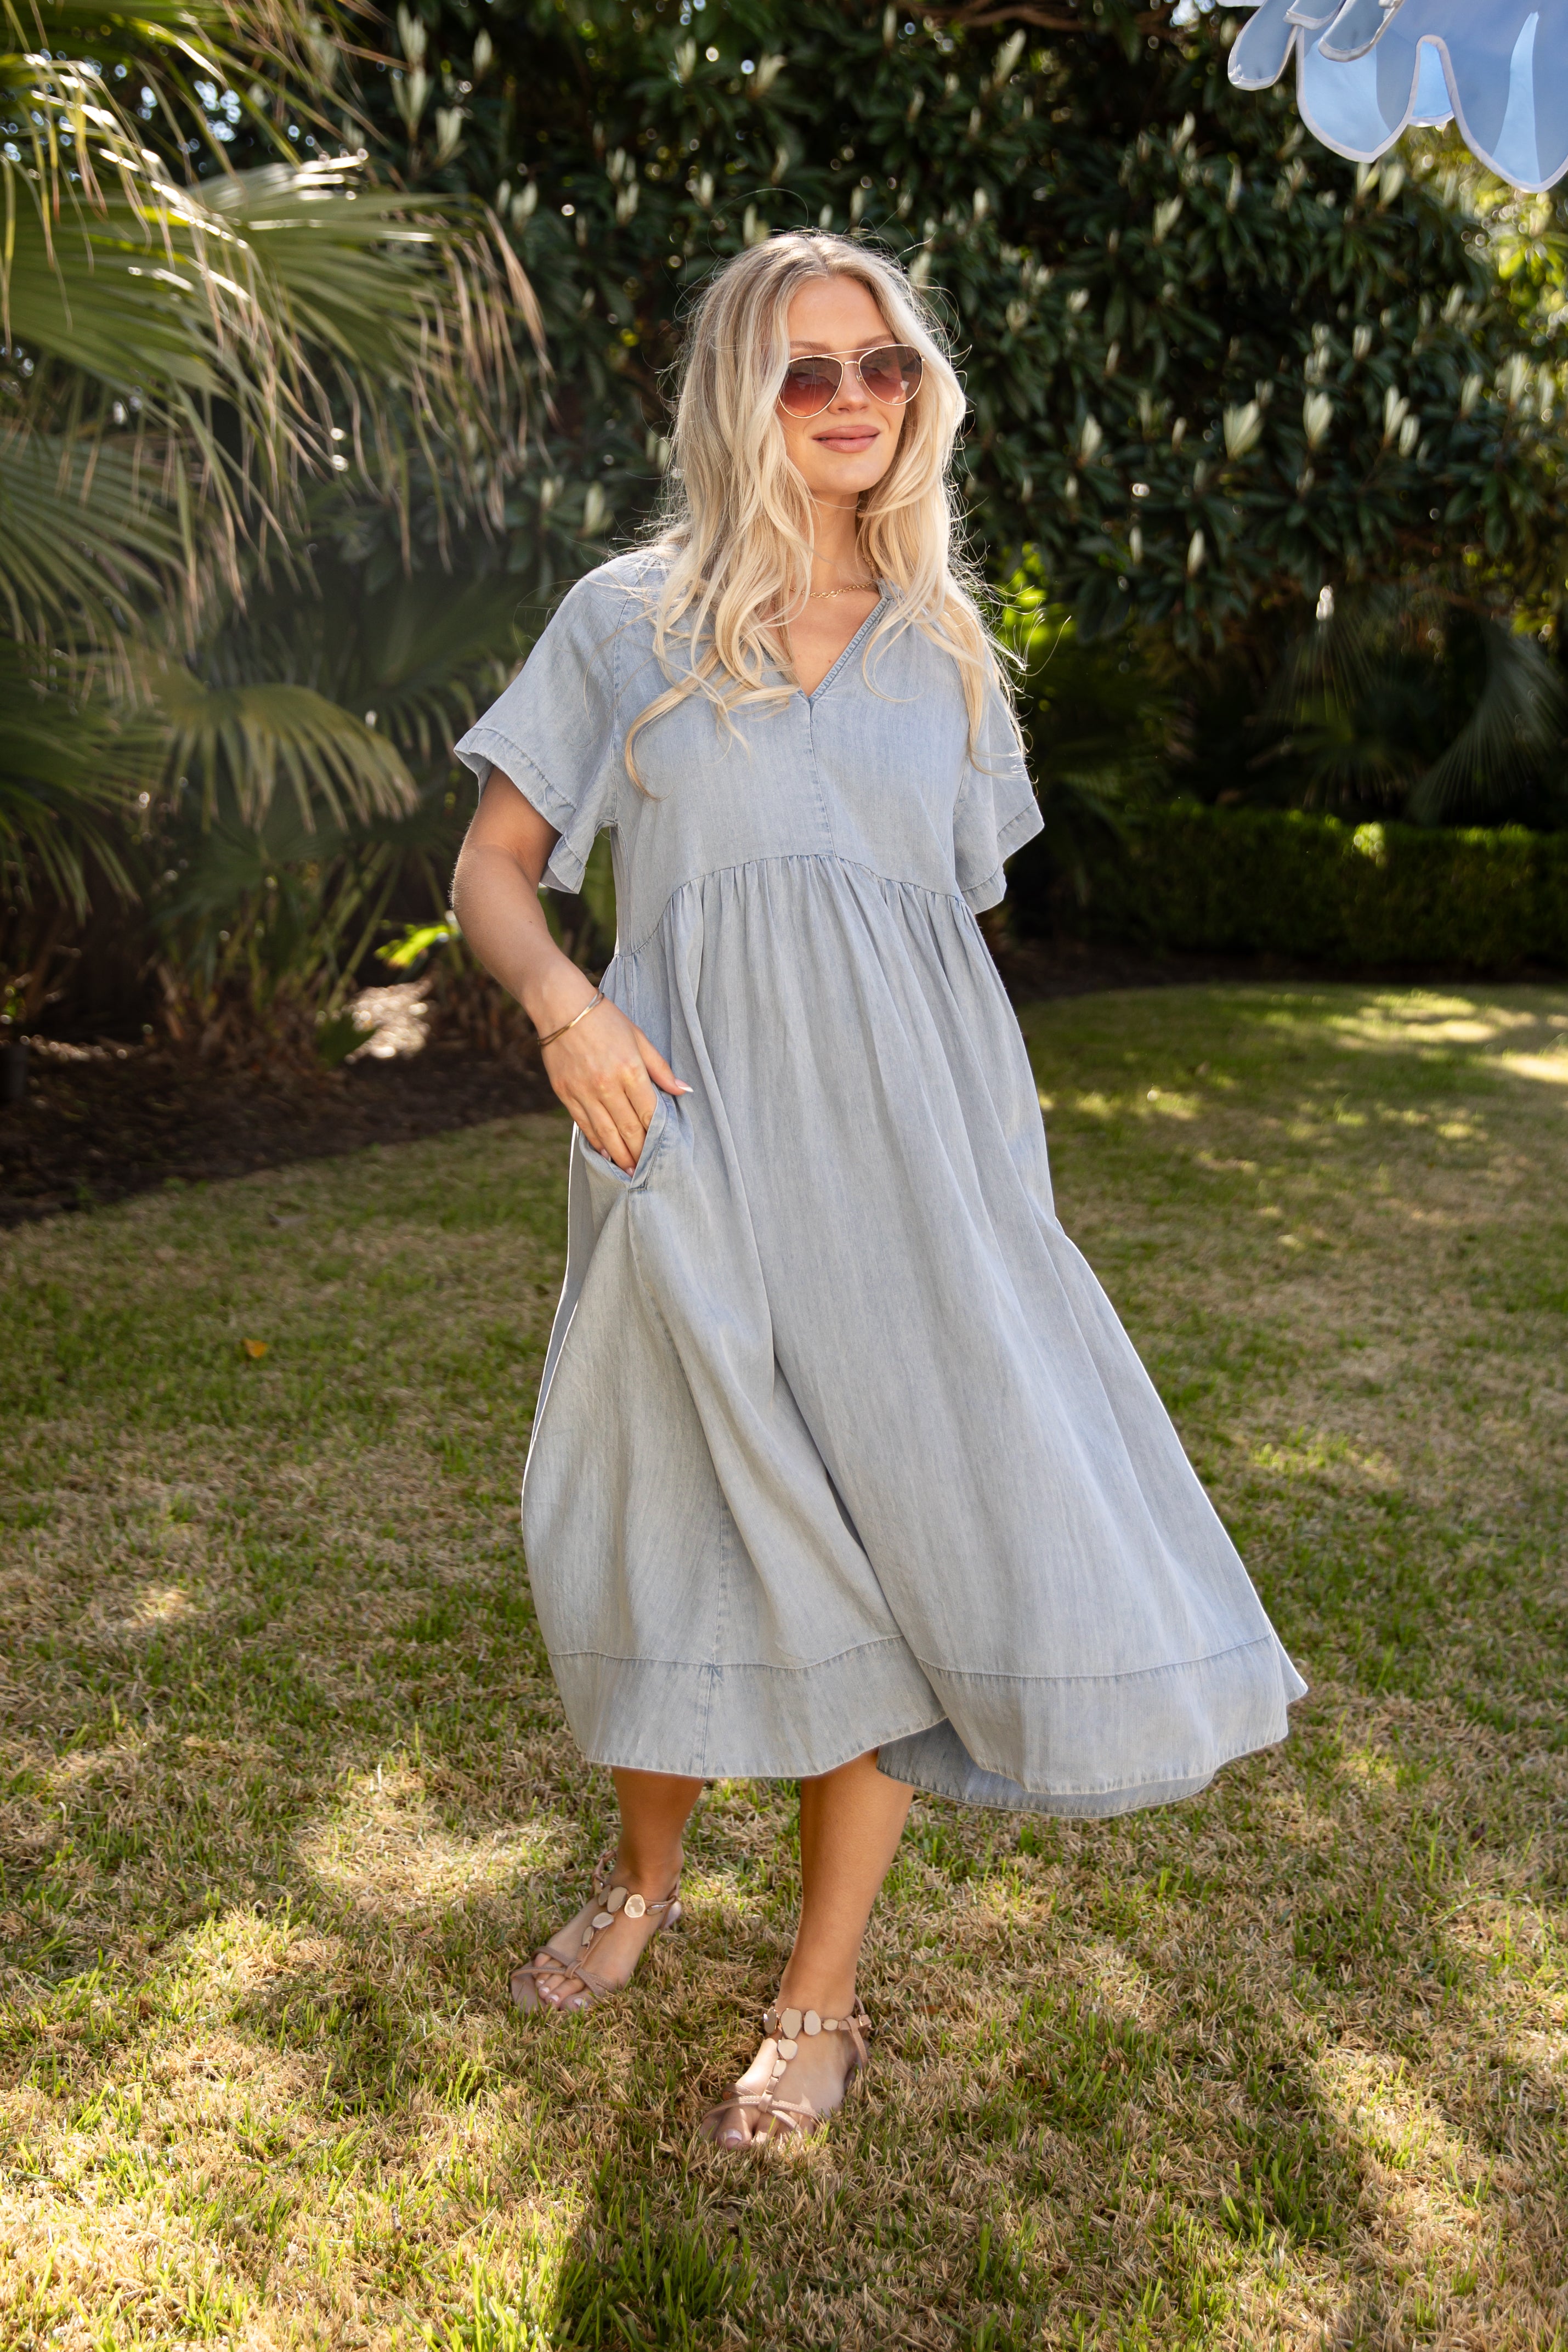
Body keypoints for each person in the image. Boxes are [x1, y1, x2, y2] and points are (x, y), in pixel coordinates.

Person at [450, 231, 1305, 2151]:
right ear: (734, 397)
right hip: (684, 1131)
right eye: (805, 369)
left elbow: (927, 941)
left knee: (899, 1534)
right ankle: (640, 1885)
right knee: (675, 1507)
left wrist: (995, 1181)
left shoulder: (945, 647)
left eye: (884, 365)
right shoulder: (622, 620)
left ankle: (818, 1993)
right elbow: (492, 871)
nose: (851, 400)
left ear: (919, 393)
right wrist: (567, 1012)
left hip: (920, 1172)